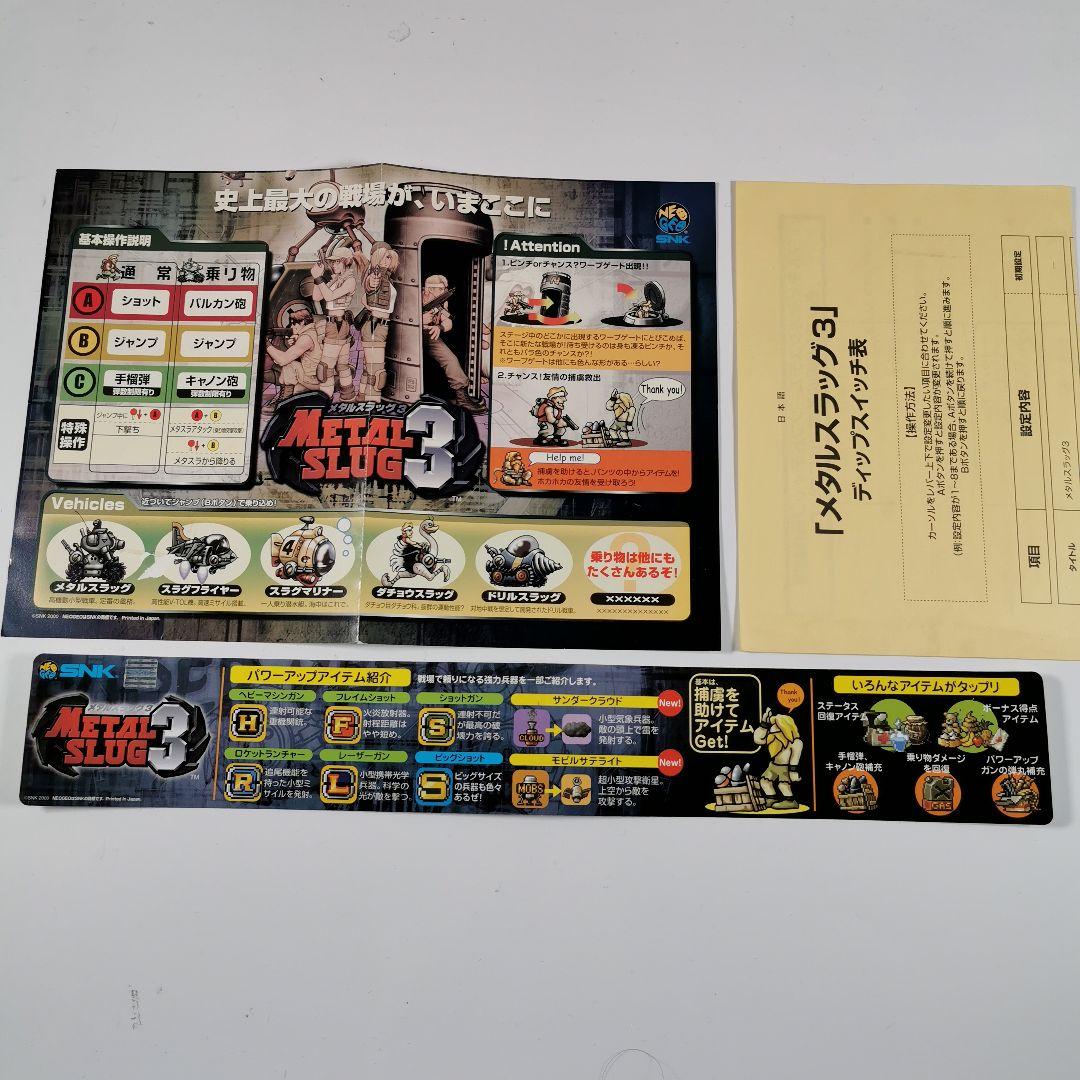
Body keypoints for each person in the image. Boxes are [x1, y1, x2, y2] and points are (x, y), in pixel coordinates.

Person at [422, 274, 483, 413]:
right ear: (429, 289)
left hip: (430, 335)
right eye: (441, 289)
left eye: (445, 288)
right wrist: (420, 319)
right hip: (411, 336)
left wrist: (440, 327)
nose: (444, 291)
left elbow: (448, 322)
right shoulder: (415, 297)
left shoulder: (442, 302)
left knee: (451, 360)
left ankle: (462, 398)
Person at [311, 241, 362, 401]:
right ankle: (348, 395)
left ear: (346, 262)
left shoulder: (349, 280)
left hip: (338, 325)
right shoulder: (336, 279)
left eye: (337, 261)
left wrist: (318, 278)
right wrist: (317, 278)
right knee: (341, 365)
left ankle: (324, 401)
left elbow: (329, 296)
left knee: (325, 368)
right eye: (332, 262)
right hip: (334, 324)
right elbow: (316, 297)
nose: (334, 265)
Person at [356, 241, 399, 401]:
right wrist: (372, 281)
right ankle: (371, 404)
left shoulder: (387, 278)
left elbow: (368, 297)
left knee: (368, 368)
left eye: (389, 257)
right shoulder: (375, 275)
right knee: (377, 373)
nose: (386, 260)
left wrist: (368, 303)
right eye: (383, 257)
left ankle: (361, 398)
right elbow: (371, 283)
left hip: (381, 327)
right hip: (374, 326)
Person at [265, 305, 335, 401]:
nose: (292, 327)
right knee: (297, 390)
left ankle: (284, 399)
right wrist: (295, 343)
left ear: (302, 322)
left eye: (293, 324)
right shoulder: (314, 331)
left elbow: (282, 360)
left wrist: (267, 344)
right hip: (322, 376)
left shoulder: (306, 337)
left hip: (314, 379)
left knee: (289, 365)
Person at [753, 707, 803, 810]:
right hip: (773, 765)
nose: (772, 728)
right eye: (773, 725)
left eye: (776, 725)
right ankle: (771, 799)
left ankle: (790, 801)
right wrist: (763, 724)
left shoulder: (795, 742)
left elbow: (795, 758)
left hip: (785, 768)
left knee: (783, 785)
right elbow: (758, 739)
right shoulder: (773, 739)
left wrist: (793, 772)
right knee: (764, 781)